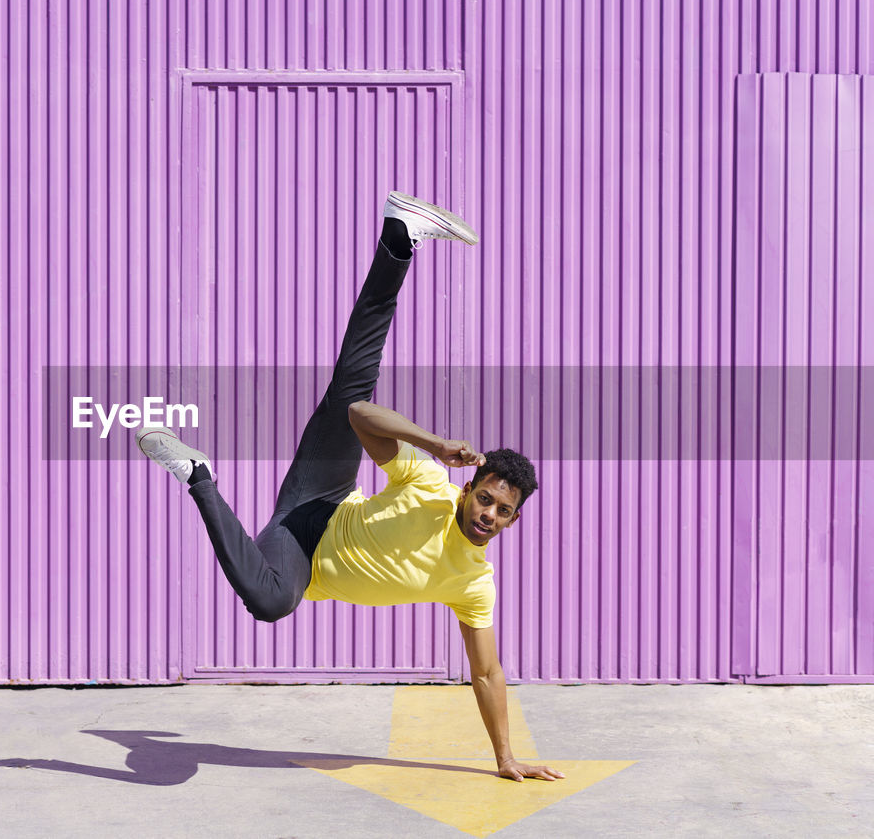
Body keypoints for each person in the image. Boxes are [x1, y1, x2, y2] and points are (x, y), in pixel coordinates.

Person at [136, 191, 564, 783]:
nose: (489, 512)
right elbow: (360, 415)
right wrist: (436, 445)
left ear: (513, 521)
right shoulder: (433, 484)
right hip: (320, 498)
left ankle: (198, 475)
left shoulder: (474, 585)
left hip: (300, 559)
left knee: (270, 600)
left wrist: (505, 759)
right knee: (350, 385)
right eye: (485, 496)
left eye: (502, 510)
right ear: (469, 488)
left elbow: (487, 673)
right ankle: (400, 238)